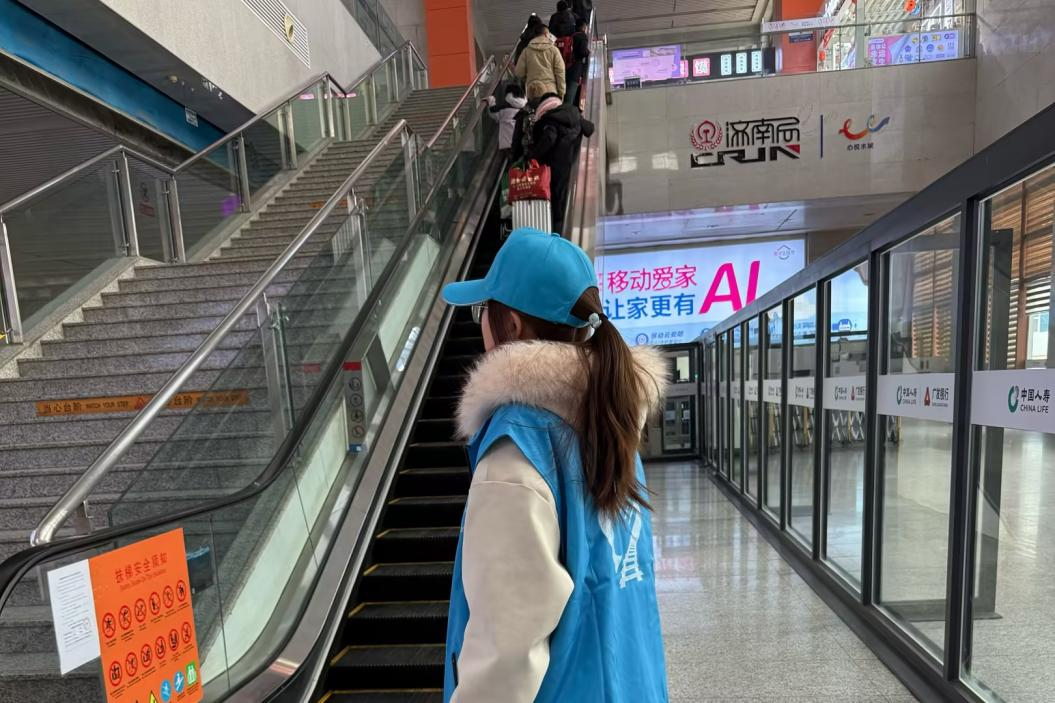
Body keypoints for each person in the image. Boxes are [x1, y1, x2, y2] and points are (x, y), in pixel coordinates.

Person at [441, 227, 670, 703]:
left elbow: (505, 658)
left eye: (484, 311)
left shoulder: (516, 454)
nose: (481, 325)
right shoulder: (613, 431)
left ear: (512, 324)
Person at [516, 92, 594, 233]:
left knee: (555, 198)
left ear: (544, 107)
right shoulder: (574, 113)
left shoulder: (549, 120)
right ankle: (562, 226)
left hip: (554, 166)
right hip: (570, 162)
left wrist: (533, 156)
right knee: (563, 195)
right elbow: (590, 129)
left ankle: (557, 229)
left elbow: (549, 139)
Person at [515, 23, 566, 101]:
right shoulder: (554, 50)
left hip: (533, 92)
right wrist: (561, 92)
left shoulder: (526, 51)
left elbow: (519, 72)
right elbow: (560, 72)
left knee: (535, 108)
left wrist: (529, 79)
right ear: (546, 34)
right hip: (550, 92)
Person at [487, 83, 527, 161]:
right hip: (520, 142)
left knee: (510, 161)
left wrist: (491, 101)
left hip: (508, 144)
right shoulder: (523, 109)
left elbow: (494, 115)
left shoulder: (505, 111)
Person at [564, 18, 591, 106]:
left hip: (567, 66)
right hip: (575, 68)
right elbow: (583, 51)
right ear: (584, 26)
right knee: (571, 92)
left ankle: (566, 107)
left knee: (567, 90)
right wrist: (589, 52)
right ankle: (567, 109)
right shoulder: (582, 36)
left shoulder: (572, 35)